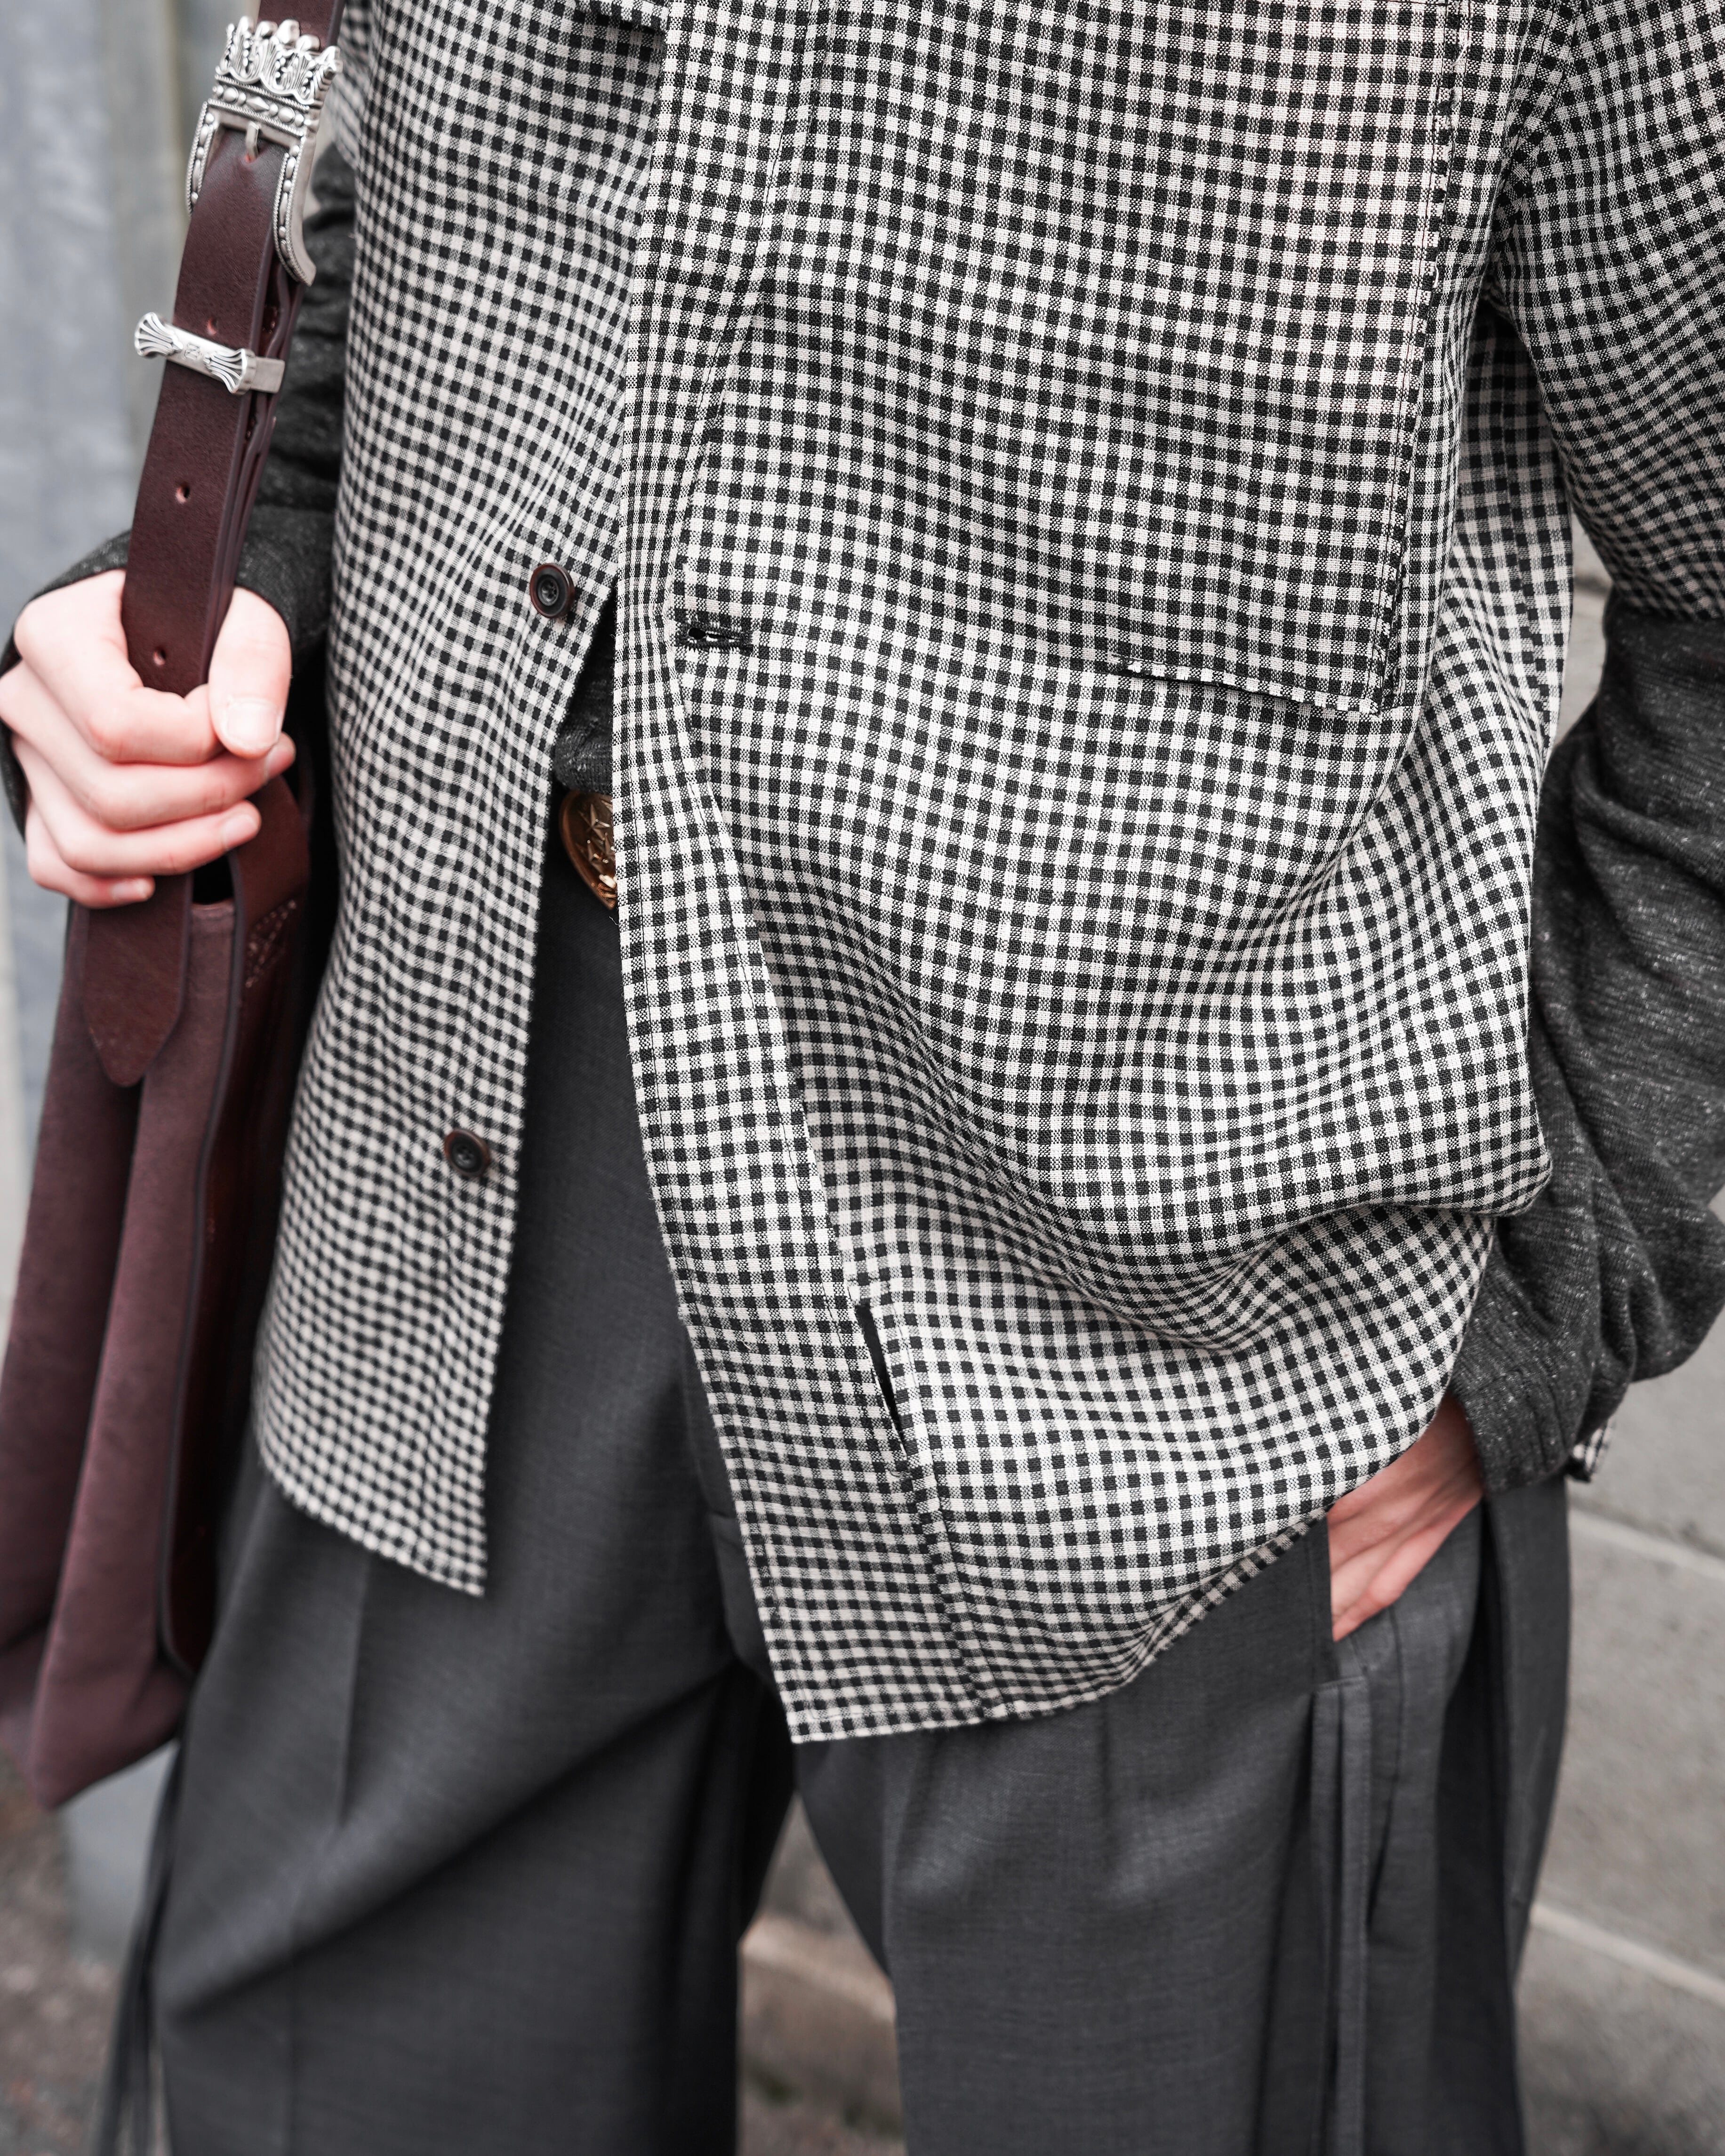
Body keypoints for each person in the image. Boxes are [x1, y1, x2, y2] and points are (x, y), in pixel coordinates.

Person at [3, 0, 1722, 2148]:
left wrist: (1538, 1307)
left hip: (1172, 1338)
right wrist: (186, 616)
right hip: (452, 1168)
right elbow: (415, 260)